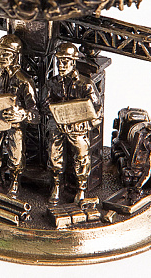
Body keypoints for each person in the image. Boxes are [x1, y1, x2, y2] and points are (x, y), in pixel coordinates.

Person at [0, 34, 39, 197]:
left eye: (6, 54)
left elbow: (36, 114)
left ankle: (15, 181)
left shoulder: (24, 81)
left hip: (15, 126)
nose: (1, 57)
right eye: (0, 52)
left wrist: (22, 114)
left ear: (15, 56)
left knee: (16, 154)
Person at [46, 43, 101, 204]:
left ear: (73, 62)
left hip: (78, 128)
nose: (60, 65)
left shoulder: (86, 84)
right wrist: (54, 115)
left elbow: (98, 111)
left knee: (82, 154)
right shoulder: (52, 83)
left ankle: (81, 188)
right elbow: (44, 105)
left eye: (65, 61)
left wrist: (85, 125)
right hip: (58, 126)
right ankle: (56, 184)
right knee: (54, 153)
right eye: (58, 61)